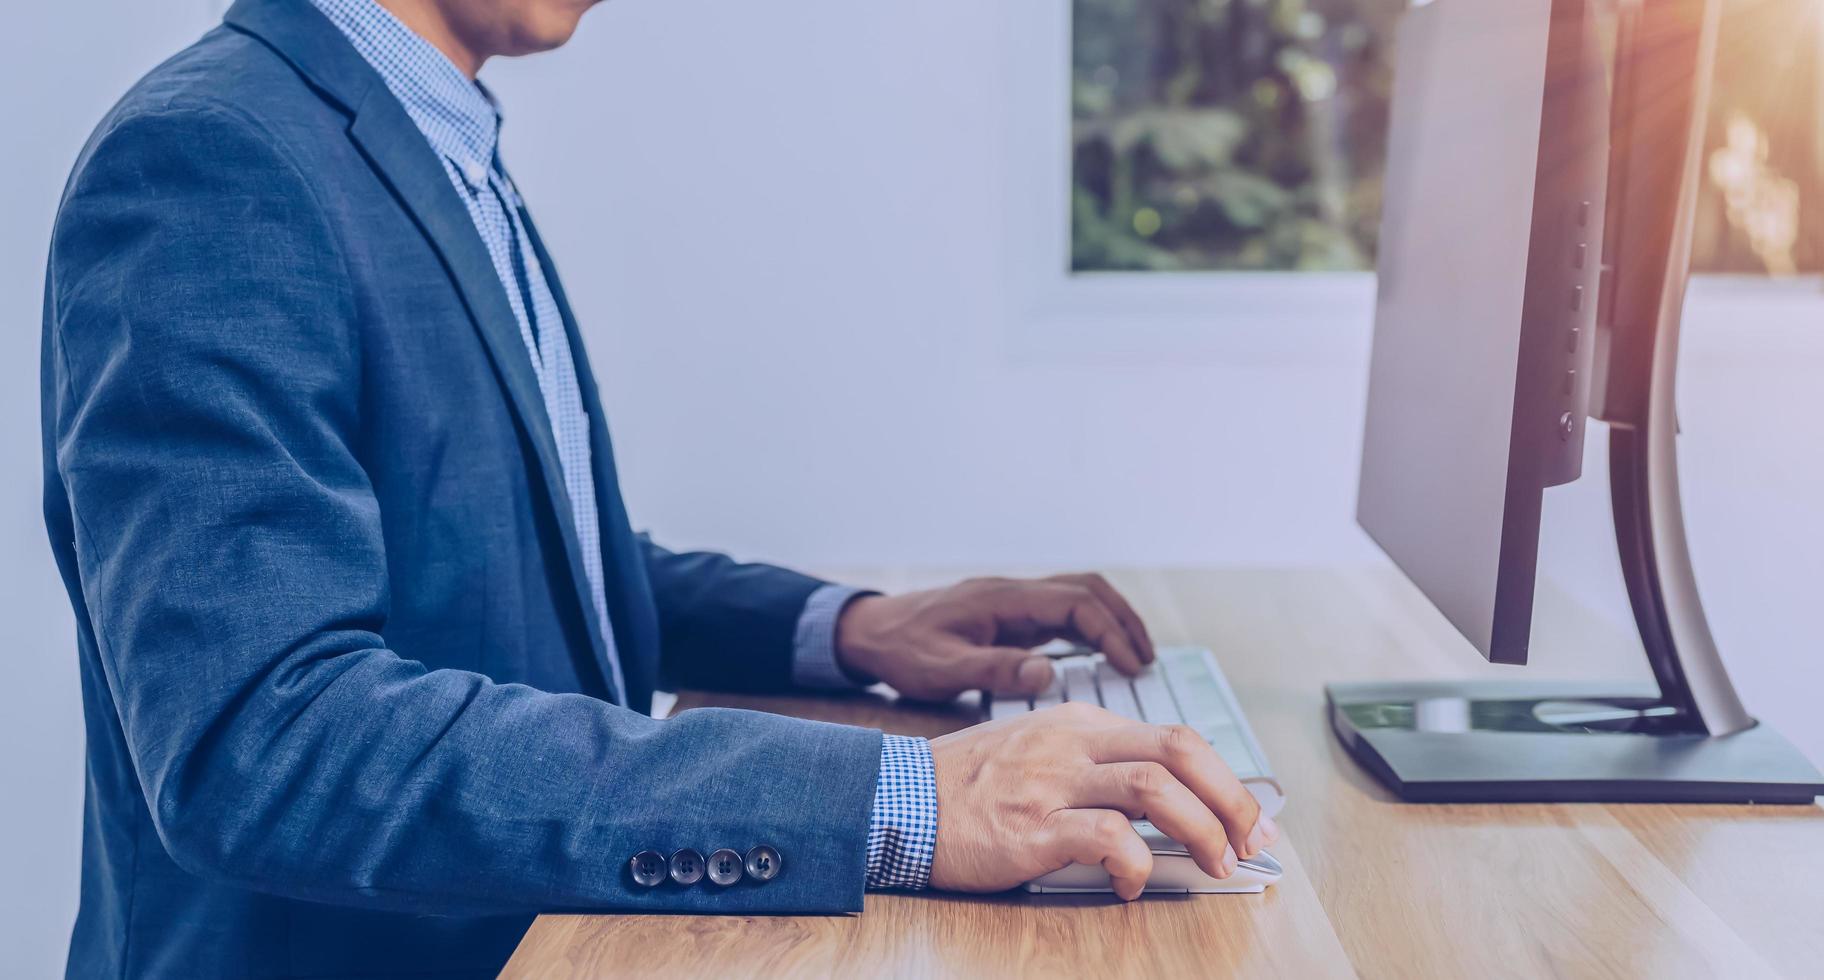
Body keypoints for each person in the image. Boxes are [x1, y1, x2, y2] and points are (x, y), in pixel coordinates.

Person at [40, 0, 1277, 975]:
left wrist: (847, 629)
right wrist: (900, 796)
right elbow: (267, 740)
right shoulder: (213, 159)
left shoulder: (434, 139)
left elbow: (519, 561)